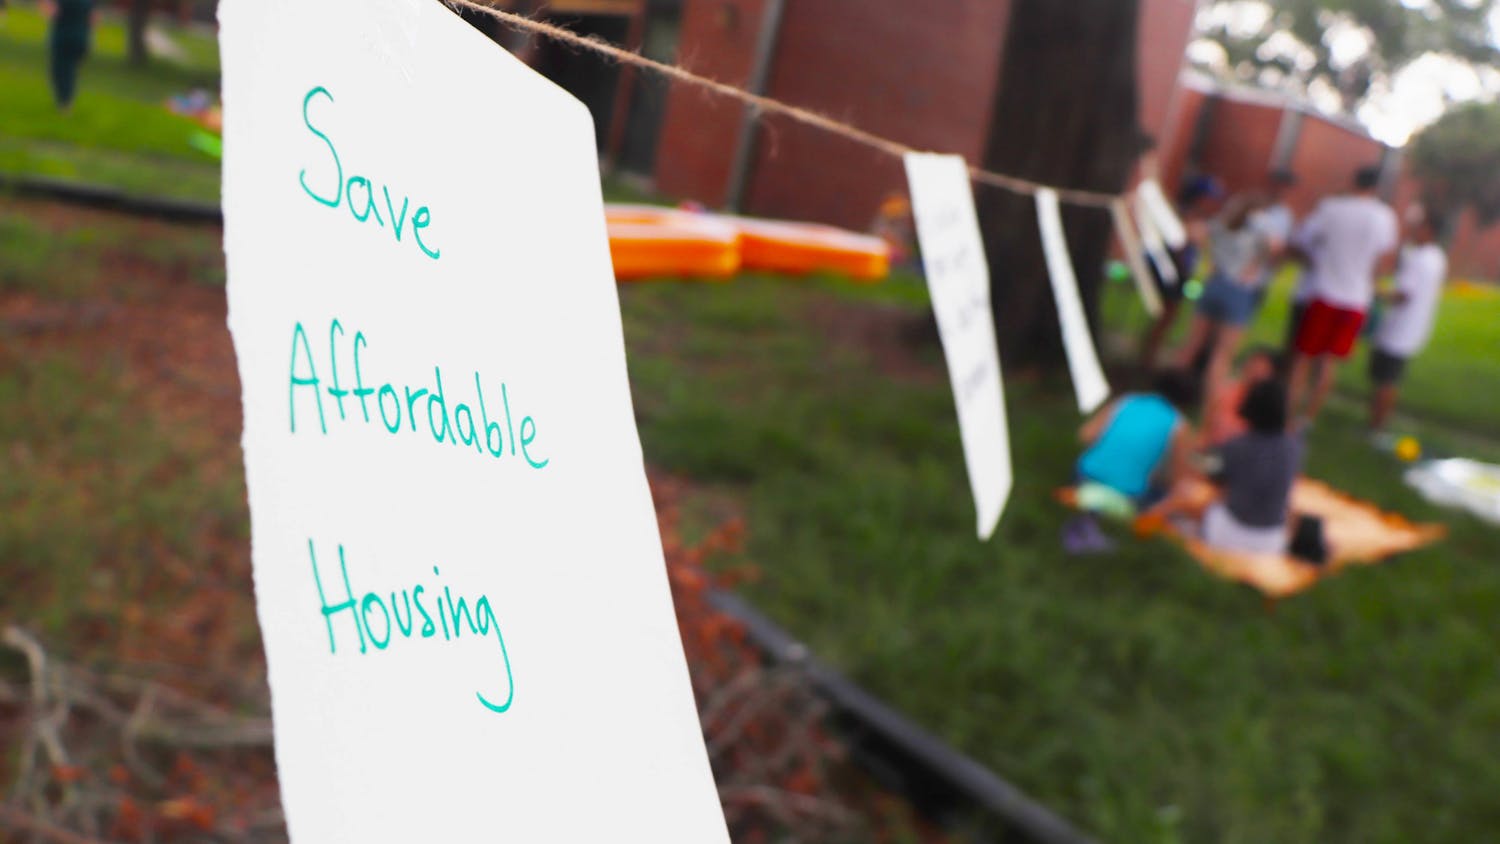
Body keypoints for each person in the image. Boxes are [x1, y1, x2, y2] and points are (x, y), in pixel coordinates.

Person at [1286, 166, 1400, 423]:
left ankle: (1289, 413)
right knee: (1328, 363)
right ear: (1377, 187)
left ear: (1353, 181)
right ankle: (1308, 418)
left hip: (1324, 292)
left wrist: (1317, 261)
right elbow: (1382, 260)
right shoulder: (1384, 217)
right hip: (1356, 300)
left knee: (1303, 359)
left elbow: (1303, 238)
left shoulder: (1332, 208)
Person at [1143, 378, 1304, 555]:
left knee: (1187, 497)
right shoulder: (1294, 446)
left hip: (1230, 535)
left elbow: (1207, 474)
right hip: (1271, 540)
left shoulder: (1238, 447)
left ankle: (1147, 522)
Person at [1064, 370, 1198, 553]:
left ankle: (1090, 518)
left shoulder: (1127, 400)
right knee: (1169, 497)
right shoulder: (1179, 425)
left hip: (1083, 476)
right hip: (1127, 494)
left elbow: (1085, 435)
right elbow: (1179, 479)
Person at [1173, 192, 1274, 404]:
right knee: (1223, 355)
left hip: (1214, 282)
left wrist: (1208, 256)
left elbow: (1195, 232)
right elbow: (1275, 246)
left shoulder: (1223, 223)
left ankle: (1170, 393)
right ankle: (1210, 406)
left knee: (1191, 344)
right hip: (1239, 289)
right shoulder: (1259, 224)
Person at [1369, 210, 1448, 435]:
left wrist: (1376, 292)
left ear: (1430, 230)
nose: (1415, 230)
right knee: (1390, 380)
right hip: (1412, 330)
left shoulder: (1420, 259)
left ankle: (1376, 427)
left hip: (1398, 330)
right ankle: (1378, 424)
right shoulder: (1437, 257)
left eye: (1420, 226)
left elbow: (1403, 295)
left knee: (1385, 381)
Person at [1139, 176, 1223, 370]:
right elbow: (1176, 242)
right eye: (1209, 198)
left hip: (1182, 272)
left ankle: (1150, 353)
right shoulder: (1181, 215)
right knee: (1164, 314)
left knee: (1169, 316)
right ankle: (1147, 356)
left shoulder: (1199, 219)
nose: (1211, 204)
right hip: (1171, 271)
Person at [1202, 345, 1278, 446]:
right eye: (1253, 364)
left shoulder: (1269, 403)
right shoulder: (1227, 390)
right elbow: (1210, 423)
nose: (1255, 370)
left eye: (1262, 368)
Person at [45, 0, 95, 112]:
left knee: (60, 71)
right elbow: (93, 19)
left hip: (63, 37)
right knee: (70, 70)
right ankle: (67, 101)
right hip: (81, 38)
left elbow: (53, 13)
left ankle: (65, 103)